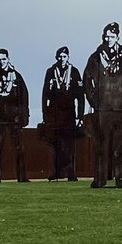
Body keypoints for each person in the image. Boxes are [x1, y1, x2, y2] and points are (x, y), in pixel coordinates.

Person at [83, 23, 122, 189]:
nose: (107, 39)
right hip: (102, 109)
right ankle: (99, 180)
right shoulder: (96, 57)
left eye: (111, 36)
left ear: (118, 37)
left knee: (121, 146)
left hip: (120, 109)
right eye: (106, 36)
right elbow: (87, 80)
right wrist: (94, 101)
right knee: (101, 146)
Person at [0, 48, 30, 183]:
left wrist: (24, 115)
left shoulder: (17, 76)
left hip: (14, 118)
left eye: (4, 59)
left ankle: (22, 177)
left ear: (8, 59)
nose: (1, 62)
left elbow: (24, 97)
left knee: (19, 148)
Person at [41, 46, 84, 181]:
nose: (61, 59)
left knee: (70, 144)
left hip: (69, 112)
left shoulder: (74, 72)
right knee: (57, 145)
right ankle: (58, 172)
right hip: (54, 113)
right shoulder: (50, 71)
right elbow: (44, 94)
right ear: (56, 57)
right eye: (59, 56)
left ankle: (71, 173)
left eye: (64, 56)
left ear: (68, 57)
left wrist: (80, 115)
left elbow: (80, 95)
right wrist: (44, 114)